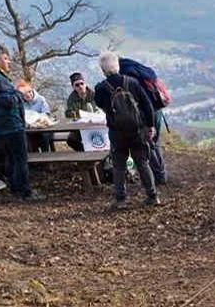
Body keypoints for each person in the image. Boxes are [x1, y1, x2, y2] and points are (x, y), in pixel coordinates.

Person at [0, 44, 44, 202]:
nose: (8, 62)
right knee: (20, 158)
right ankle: (24, 192)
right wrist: (18, 93)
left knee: (11, 159)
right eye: (5, 58)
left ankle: (15, 189)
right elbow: (7, 101)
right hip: (11, 124)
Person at [94, 51, 160, 210]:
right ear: (117, 66)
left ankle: (121, 199)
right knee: (142, 163)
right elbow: (147, 106)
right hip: (137, 130)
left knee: (119, 166)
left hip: (117, 132)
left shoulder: (101, 88)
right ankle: (152, 196)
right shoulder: (132, 83)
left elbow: (99, 104)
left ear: (103, 70)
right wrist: (150, 126)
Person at [64, 71, 99, 152]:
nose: (80, 86)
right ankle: (85, 153)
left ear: (85, 84)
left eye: (81, 83)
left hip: (95, 125)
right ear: (73, 87)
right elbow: (68, 113)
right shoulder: (71, 98)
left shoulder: (94, 95)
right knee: (71, 140)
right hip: (79, 127)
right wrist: (74, 114)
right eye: (77, 85)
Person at [17, 80, 53, 152]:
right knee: (25, 138)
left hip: (43, 128)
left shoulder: (41, 100)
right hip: (29, 130)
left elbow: (47, 114)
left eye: (29, 92)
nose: (28, 95)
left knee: (44, 137)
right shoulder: (20, 103)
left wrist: (38, 120)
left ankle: (46, 157)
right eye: (24, 94)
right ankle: (34, 160)